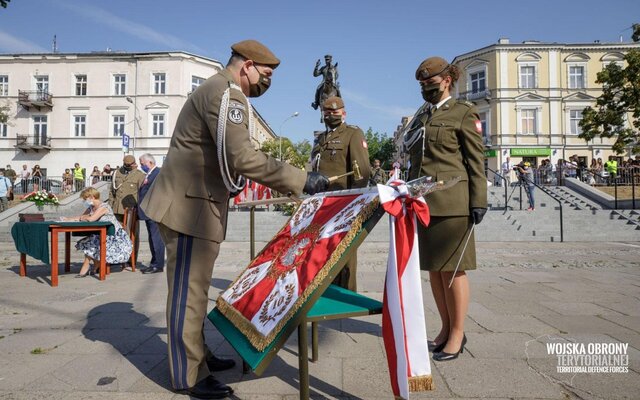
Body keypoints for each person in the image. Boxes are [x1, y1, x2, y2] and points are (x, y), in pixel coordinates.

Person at [140, 39, 329, 399]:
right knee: (188, 295)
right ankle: (189, 375)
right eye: (267, 74)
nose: (267, 82)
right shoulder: (228, 95)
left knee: (193, 291)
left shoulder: (218, 90)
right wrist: (301, 179)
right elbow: (241, 157)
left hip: (195, 205)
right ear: (247, 66)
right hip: (188, 208)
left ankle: (198, 355)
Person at [405, 56, 487, 362]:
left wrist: (478, 201)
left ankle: (458, 333)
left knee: (453, 271)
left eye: (431, 82)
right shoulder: (421, 117)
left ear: (447, 79)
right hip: (424, 203)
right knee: (435, 273)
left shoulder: (463, 113)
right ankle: (445, 327)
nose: (426, 87)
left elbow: (475, 161)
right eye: (422, 84)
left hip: (453, 203)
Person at [311, 95, 371, 291]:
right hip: (321, 202)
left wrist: (357, 202)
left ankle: (346, 291)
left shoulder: (353, 134)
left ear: (343, 114)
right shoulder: (320, 138)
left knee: (344, 248)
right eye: (327, 113)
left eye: (335, 112)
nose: (331, 116)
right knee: (322, 247)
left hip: (344, 201)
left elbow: (361, 170)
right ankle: (324, 288)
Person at [63, 187, 132, 277]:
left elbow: (91, 219)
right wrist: (68, 219)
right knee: (88, 241)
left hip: (115, 237)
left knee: (91, 242)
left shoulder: (104, 207)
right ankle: (96, 264)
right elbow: (82, 217)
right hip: (102, 235)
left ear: (92, 197)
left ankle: (86, 265)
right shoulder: (91, 207)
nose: (84, 201)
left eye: (85, 199)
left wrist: (85, 217)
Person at [109, 155, 145, 267]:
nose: (127, 167)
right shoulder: (117, 173)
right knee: (117, 234)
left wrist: (139, 209)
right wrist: (110, 206)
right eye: (126, 165)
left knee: (131, 235)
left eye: (130, 165)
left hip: (131, 210)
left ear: (134, 163)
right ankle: (118, 257)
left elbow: (142, 193)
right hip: (117, 208)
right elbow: (112, 191)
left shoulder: (140, 175)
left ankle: (131, 258)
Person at [137, 154, 165, 275]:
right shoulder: (150, 173)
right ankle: (154, 263)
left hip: (154, 212)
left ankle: (157, 265)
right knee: (152, 239)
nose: (141, 166)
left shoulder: (158, 173)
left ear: (150, 163)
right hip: (148, 212)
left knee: (156, 239)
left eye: (142, 163)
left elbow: (159, 193)